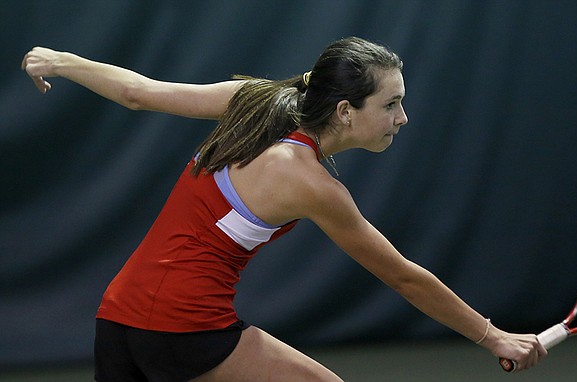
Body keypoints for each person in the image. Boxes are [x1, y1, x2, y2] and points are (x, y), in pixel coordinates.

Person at [21, 37, 546, 381]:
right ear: (345, 110)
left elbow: (139, 93)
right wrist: (491, 334)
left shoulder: (252, 99)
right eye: (391, 104)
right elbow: (404, 278)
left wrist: (62, 61)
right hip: (184, 328)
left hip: (117, 316)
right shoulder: (311, 183)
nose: (403, 118)